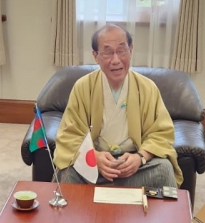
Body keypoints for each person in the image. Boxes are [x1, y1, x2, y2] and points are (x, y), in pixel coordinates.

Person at [53, 24, 182, 189]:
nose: (116, 60)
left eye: (121, 51)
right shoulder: (83, 87)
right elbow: (69, 135)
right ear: (95, 56)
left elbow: (161, 133)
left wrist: (140, 157)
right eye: (107, 52)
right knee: (66, 174)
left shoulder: (147, 88)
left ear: (131, 50)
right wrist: (94, 157)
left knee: (164, 170)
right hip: (94, 165)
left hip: (134, 166)